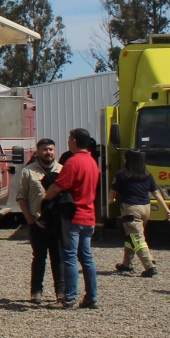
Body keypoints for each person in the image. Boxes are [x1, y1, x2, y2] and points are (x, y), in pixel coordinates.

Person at [43, 129, 100, 308]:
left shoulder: (73, 162)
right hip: (89, 215)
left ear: (74, 141)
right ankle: (91, 296)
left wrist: (45, 200)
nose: (67, 141)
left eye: (69, 138)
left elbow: (58, 186)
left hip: (73, 216)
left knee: (69, 257)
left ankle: (69, 297)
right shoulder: (92, 162)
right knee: (87, 258)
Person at [15, 139, 63, 304]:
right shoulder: (29, 172)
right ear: (38, 151)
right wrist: (29, 218)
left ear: (55, 151)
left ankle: (61, 292)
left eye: (51, 149)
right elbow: (21, 196)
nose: (48, 152)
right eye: (44, 150)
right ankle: (36, 291)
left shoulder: (62, 170)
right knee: (39, 258)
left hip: (57, 223)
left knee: (58, 258)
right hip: (37, 222)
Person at [112, 150, 170, 276]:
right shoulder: (147, 174)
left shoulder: (122, 174)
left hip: (131, 209)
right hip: (146, 208)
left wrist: (110, 200)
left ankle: (149, 266)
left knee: (137, 237)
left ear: (128, 160)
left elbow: (113, 193)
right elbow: (156, 193)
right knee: (132, 235)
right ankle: (126, 264)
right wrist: (166, 209)